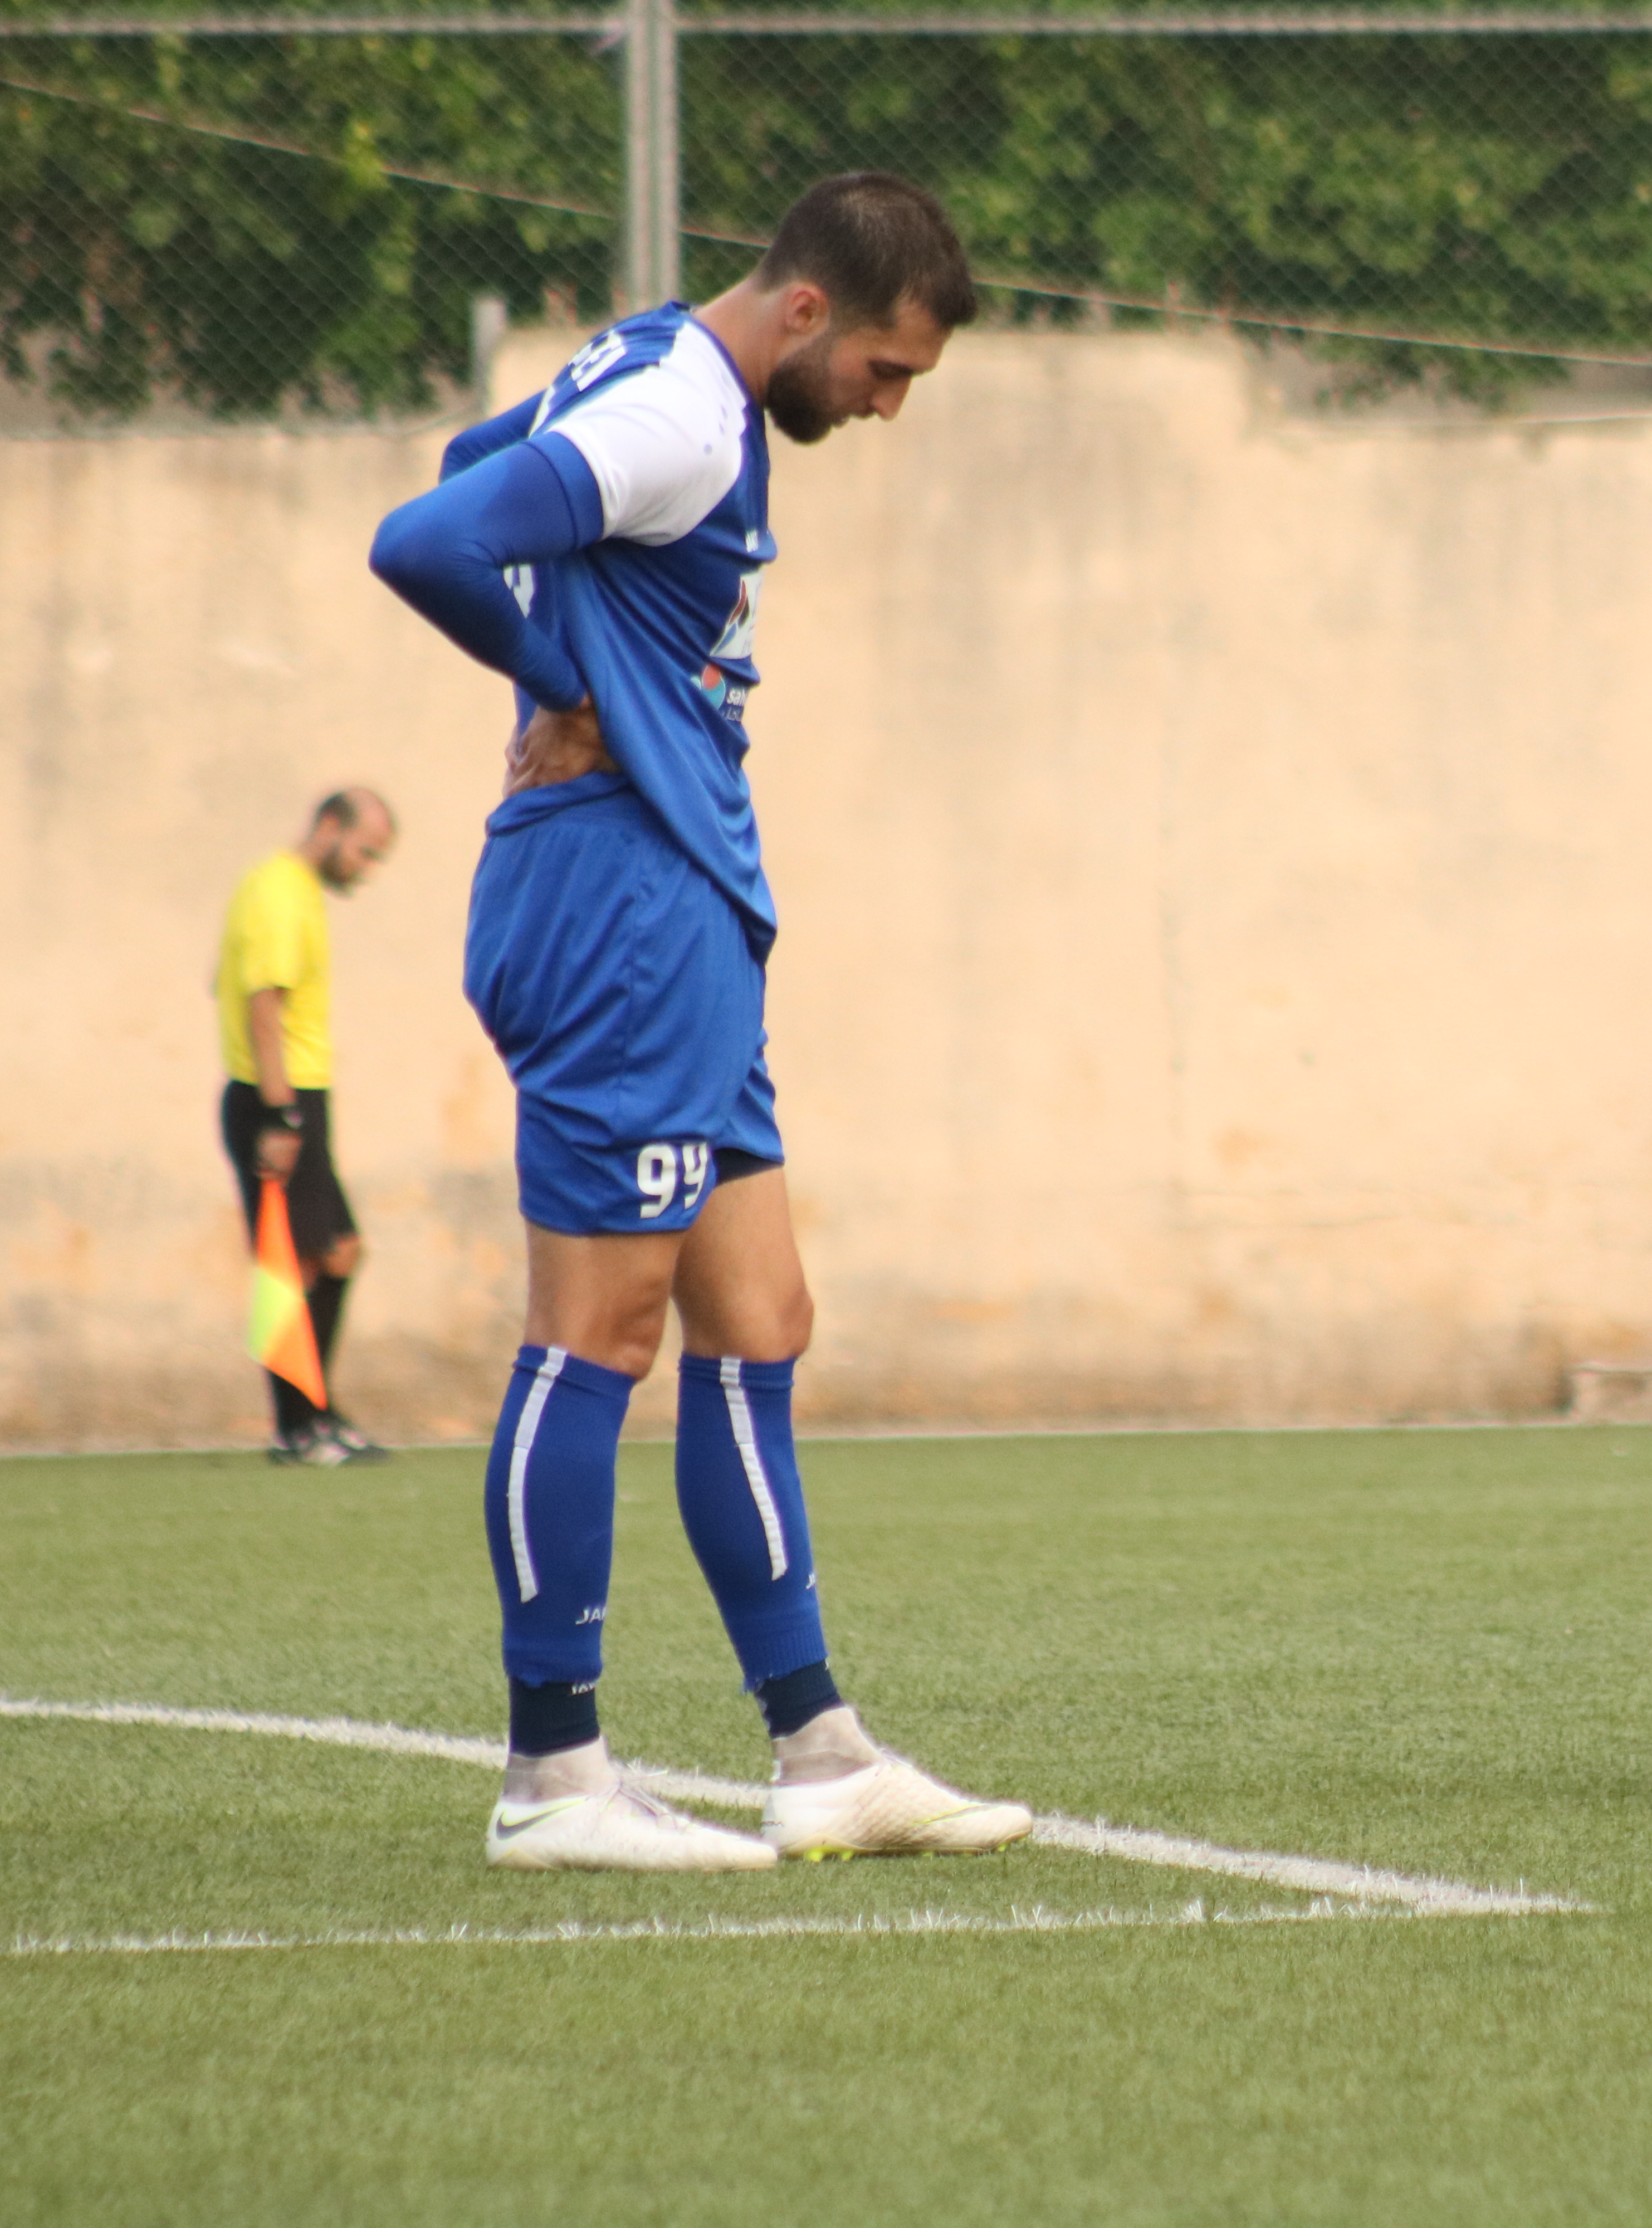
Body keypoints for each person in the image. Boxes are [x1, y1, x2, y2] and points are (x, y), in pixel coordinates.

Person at [368, 173, 1030, 1874]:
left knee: (762, 1313)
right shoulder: (680, 408)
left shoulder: (656, 363)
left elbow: (466, 467)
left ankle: (820, 1751)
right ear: (806, 312)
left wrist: (572, 660)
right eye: (886, 372)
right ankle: (552, 1773)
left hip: (685, 910)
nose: (884, 410)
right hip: (612, 905)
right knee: (599, 1326)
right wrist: (562, 684)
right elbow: (425, 536)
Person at [216, 789, 398, 1467]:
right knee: (300, 1263)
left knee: (331, 1253)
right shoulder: (279, 892)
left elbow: (225, 984)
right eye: (365, 851)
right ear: (329, 826)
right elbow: (264, 1005)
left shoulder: (287, 890)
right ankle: (297, 1426)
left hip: (296, 1096)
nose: (367, 867)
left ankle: (313, 1413)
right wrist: (280, 1115)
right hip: (279, 1100)